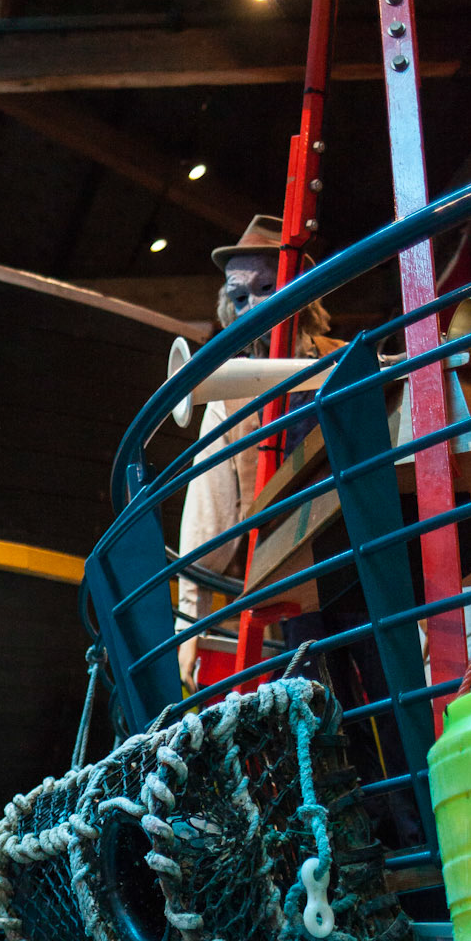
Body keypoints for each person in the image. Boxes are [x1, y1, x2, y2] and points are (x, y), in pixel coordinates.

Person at [176, 214, 342, 685]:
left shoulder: (346, 358)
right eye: (239, 297)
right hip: (287, 590)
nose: (250, 308)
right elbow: (207, 519)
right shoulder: (229, 395)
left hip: (358, 565)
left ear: (302, 291)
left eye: (266, 289)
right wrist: (190, 626)